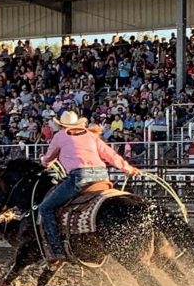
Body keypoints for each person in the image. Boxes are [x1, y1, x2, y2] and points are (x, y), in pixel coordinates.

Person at [38, 111, 139, 266]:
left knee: (45, 208)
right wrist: (128, 168)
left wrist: (44, 161)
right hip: (102, 176)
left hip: (79, 177)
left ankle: (56, 249)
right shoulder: (91, 135)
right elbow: (110, 154)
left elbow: (48, 159)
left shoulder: (60, 136)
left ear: (61, 125)